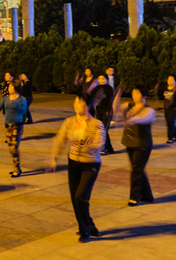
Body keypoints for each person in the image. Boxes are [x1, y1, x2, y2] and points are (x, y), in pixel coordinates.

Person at [50, 94, 106, 244]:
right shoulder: (69, 122)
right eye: (75, 102)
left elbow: (100, 144)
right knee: (75, 199)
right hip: (73, 163)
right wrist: (54, 157)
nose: (76, 105)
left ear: (87, 106)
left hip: (90, 164)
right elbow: (61, 138)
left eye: (80, 103)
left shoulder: (96, 124)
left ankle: (85, 230)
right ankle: (90, 226)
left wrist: (83, 138)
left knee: (80, 197)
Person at [116, 88, 155, 207]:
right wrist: (117, 96)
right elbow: (116, 109)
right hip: (130, 142)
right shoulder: (130, 105)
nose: (134, 95)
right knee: (138, 169)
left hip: (142, 144)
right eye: (133, 93)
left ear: (144, 96)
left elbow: (143, 118)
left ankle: (134, 197)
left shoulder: (149, 110)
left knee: (136, 171)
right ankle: (147, 195)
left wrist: (131, 120)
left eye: (137, 93)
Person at [0, 80, 27, 177]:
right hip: (8, 125)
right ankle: (16, 166)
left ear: (15, 88)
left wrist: (16, 105)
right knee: (10, 148)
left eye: (11, 87)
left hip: (17, 125)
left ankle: (17, 169)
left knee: (14, 148)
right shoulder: (5, 98)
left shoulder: (21, 99)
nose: (8, 88)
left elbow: (24, 110)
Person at [91, 74, 115, 154]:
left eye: (103, 78)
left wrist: (109, 110)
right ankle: (110, 149)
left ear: (106, 79)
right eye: (100, 78)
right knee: (101, 129)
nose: (101, 80)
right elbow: (92, 98)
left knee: (103, 130)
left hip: (107, 111)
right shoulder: (96, 88)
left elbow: (111, 100)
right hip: (98, 110)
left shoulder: (109, 89)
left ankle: (102, 148)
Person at [159, 75, 176, 143]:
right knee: (169, 122)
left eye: (171, 79)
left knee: (170, 122)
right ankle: (174, 135)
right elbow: (160, 94)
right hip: (166, 108)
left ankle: (170, 138)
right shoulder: (165, 88)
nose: (169, 81)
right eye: (168, 79)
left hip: (173, 109)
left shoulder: (175, 89)